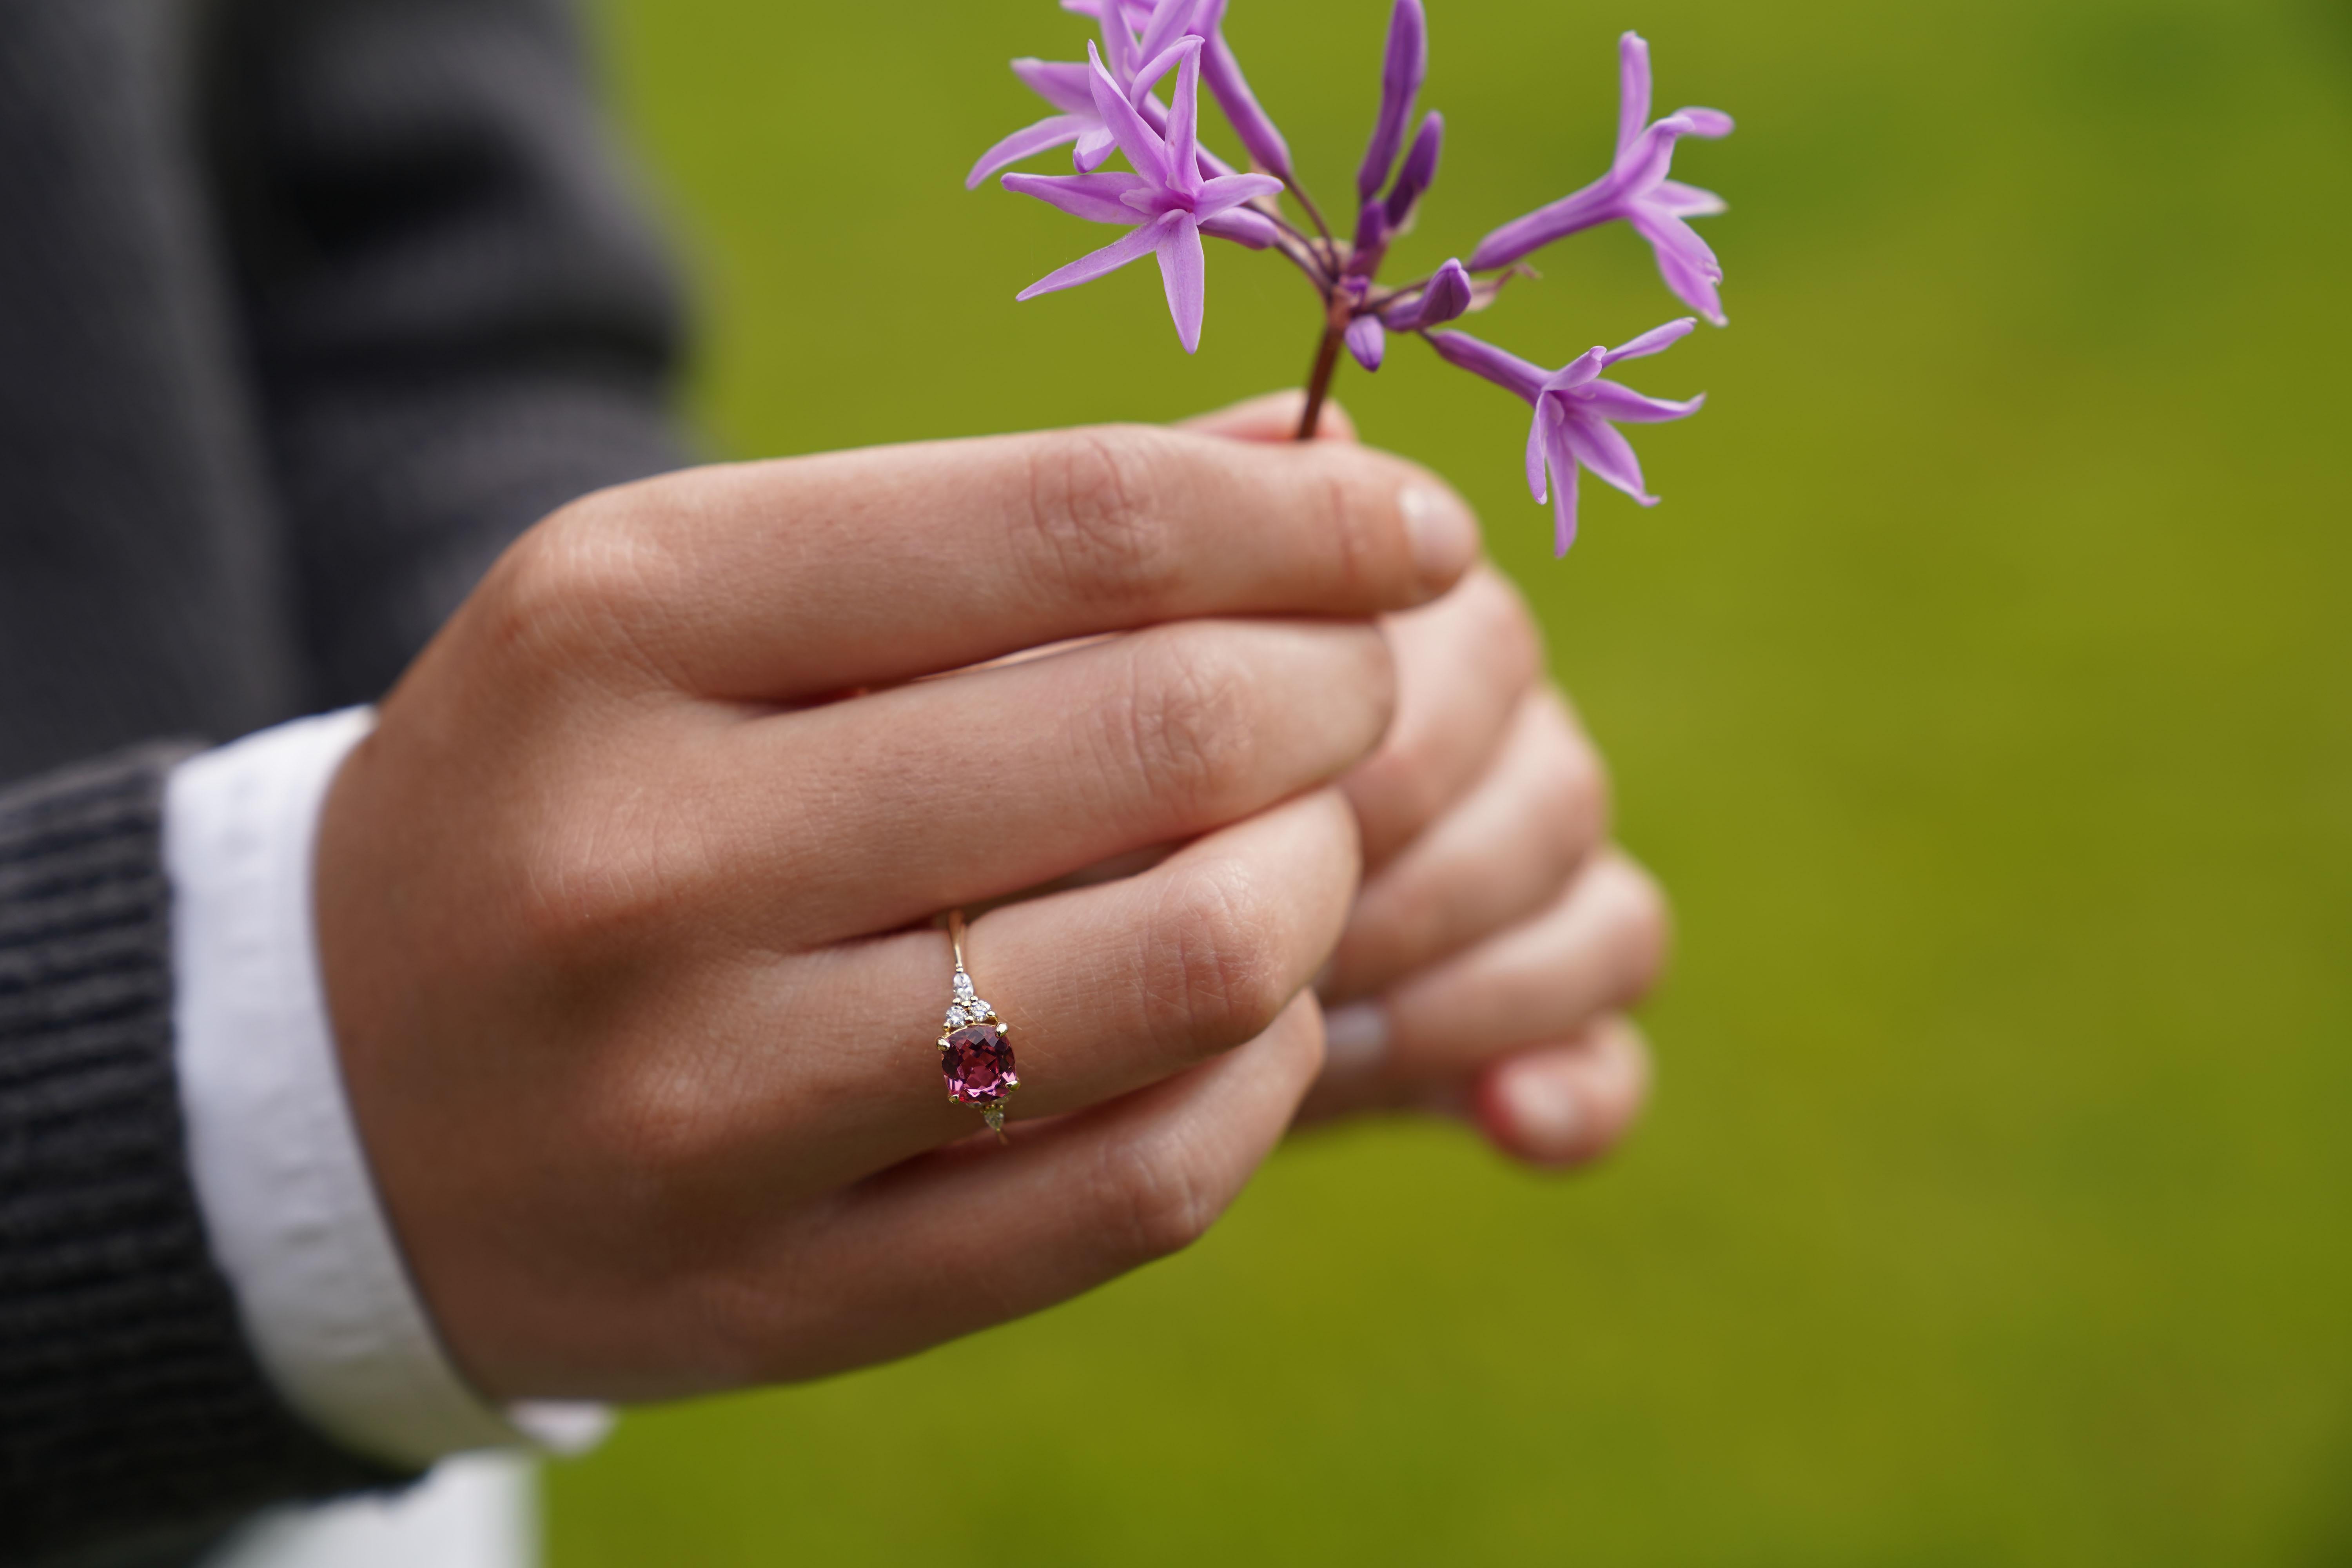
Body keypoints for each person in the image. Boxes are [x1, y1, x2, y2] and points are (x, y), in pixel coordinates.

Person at [0, 1, 1667, 1564]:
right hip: (334, 1303)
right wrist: (223, 1102)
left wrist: (773, 835)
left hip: (381, 1421)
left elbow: (428, 288)